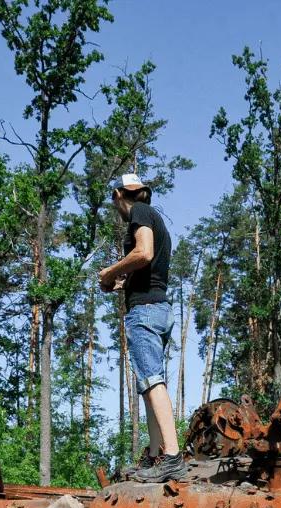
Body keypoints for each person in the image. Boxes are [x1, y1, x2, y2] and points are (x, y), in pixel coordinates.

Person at [98, 173, 186, 483]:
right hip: (158, 307)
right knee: (148, 385)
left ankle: (173, 456)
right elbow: (145, 264)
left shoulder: (140, 212)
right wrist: (119, 281)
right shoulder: (152, 216)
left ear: (118, 194)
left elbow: (144, 253)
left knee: (152, 380)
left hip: (146, 312)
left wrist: (109, 270)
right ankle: (153, 455)